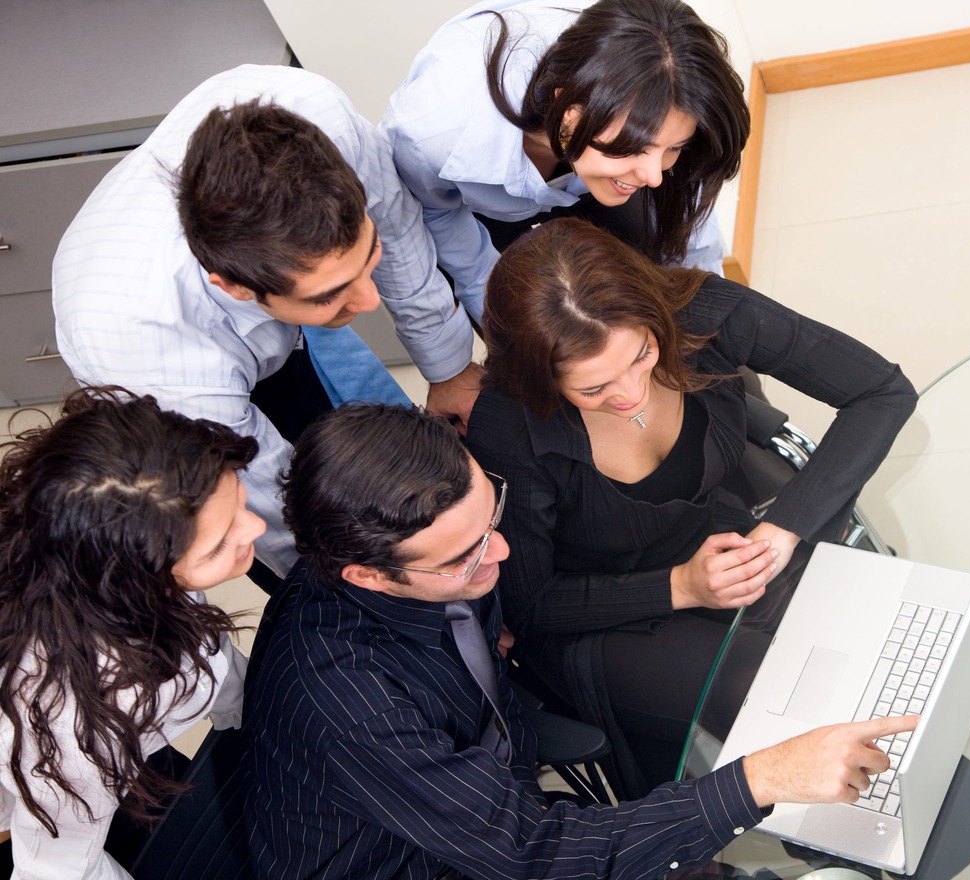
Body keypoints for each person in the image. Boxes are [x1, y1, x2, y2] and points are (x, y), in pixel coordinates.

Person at [240, 402, 921, 880]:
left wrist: (510, 851)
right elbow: (538, 853)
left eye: (491, 519)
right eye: (463, 556)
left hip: (484, 843)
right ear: (368, 576)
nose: (500, 553)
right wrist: (765, 776)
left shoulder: (443, 566)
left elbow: (494, 718)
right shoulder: (341, 694)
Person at [464, 218, 917, 797]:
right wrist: (681, 586)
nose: (631, 394)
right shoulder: (509, 428)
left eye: (642, 355)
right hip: (598, 614)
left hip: (715, 539)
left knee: (869, 643)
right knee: (782, 697)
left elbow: (881, 392)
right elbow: (528, 603)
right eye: (593, 389)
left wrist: (782, 529)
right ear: (540, 379)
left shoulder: (703, 314)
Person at [54, 64, 483, 585]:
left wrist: (448, 367)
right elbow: (273, 508)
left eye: (365, 258)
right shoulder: (149, 349)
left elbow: (395, 222)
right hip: (168, 374)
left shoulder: (313, 113)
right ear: (236, 288)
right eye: (329, 295)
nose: (369, 301)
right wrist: (391, 586)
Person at [0, 388, 265, 880]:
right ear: (132, 585)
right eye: (219, 545)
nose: (256, 527)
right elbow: (55, 858)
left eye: (240, 501)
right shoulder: (76, 714)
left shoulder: (107, 544)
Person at [383, 0, 751, 324]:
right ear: (569, 113)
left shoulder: (666, 80)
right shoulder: (433, 134)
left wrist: (704, 306)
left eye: (674, 148)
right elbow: (437, 217)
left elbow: (686, 220)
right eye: (638, 148)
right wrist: (498, 315)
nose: (656, 176)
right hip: (472, 209)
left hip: (585, 160)